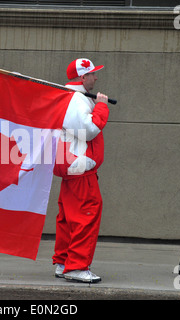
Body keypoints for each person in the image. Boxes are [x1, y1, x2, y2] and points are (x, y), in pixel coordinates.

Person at [52, 58, 109, 283]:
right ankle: (76, 267)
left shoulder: (70, 96)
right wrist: (102, 106)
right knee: (86, 215)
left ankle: (63, 262)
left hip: (72, 167)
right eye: (92, 74)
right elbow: (89, 130)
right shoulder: (76, 99)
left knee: (68, 218)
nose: (96, 77)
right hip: (80, 167)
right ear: (83, 77)